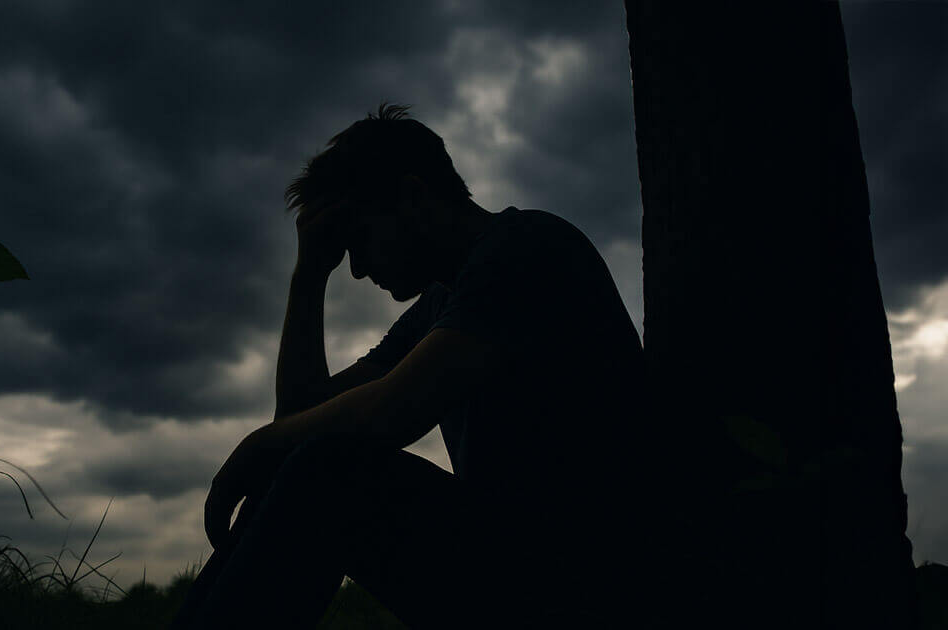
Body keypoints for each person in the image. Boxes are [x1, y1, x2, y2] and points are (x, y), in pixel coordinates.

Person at [171, 103, 673, 629]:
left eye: (359, 240)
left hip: (593, 585)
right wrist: (310, 274)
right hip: (521, 569)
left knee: (329, 472)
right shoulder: (439, 303)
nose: (358, 269)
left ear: (413, 197)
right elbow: (297, 420)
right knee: (310, 462)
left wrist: (255, 447)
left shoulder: (525, 251)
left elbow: (389, 414)